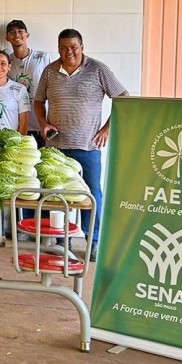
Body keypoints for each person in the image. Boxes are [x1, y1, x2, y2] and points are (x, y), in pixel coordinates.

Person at [34, 28, 129, 262]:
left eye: (74, 47)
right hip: (56, 147)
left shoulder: (98, 69)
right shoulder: (49, 71)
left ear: (82, 47)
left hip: (87, 146)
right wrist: (44, 122)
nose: (69, 52)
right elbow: (38, 101)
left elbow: (124, 98)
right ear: (58, 49)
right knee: (57, 196)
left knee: (91, 195)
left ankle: (94, 241)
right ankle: (61, 241)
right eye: (64, 48)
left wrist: (107, 129)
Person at [0, 20, 51, 145]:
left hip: (39, 125)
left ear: (27, 35)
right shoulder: (5, 61)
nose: (17, 35)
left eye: (20, 31)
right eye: (12, 32)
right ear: (7, 38)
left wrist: (48, 121)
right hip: (14, 127)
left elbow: (52, 87)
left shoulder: (42, 57)